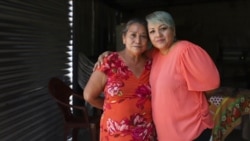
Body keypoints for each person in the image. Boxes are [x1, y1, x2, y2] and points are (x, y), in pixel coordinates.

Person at [95, 11, 220, 141]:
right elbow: (133, 54)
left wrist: (194, 103)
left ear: (173, 31)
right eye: (152, 31)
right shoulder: (155, 54)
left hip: (192, 131)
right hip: (167, 134)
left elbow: (212, 84)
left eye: (163, 29)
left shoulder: (185, 50)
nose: (158, 35)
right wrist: (110, 55)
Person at [83, 18, 155, 141]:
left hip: (145, 133)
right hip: (115, 134)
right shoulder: (110, 61)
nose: (138, 40)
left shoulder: (152, 65)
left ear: (148, 42)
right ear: (124, 38)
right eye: (133, 35)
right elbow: (89, 95)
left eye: (143, 36)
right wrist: (111, 107)